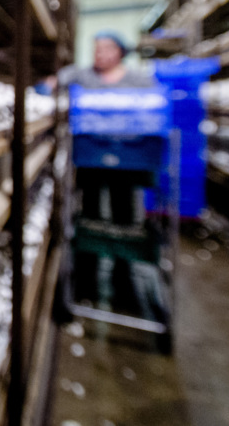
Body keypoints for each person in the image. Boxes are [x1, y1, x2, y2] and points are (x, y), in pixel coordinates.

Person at [61, 31, 159, 316]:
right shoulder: (85, 77)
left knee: (126, 213)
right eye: (96, 48)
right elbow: (59, 80)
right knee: (90, 213)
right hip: (91, 158)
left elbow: (155, 106)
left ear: (119, 51)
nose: (99, 54)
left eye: (105, 48)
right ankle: (87, 278)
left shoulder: (138, 81)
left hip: (129, 162)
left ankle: (122, 275)